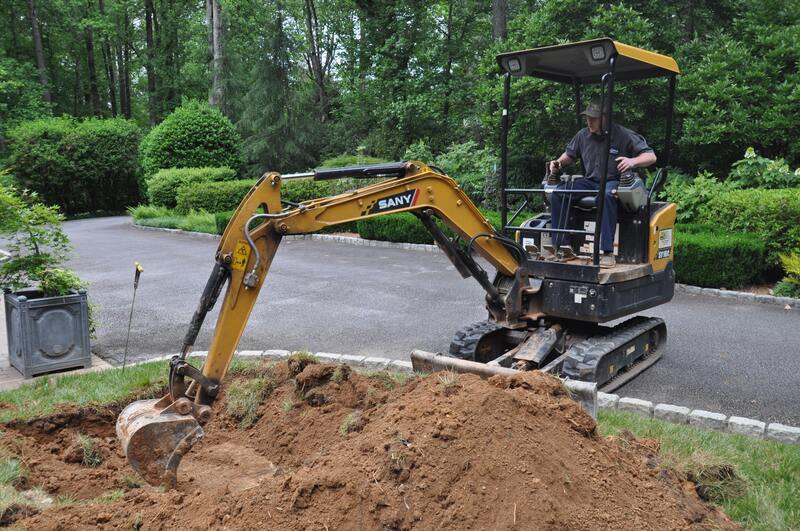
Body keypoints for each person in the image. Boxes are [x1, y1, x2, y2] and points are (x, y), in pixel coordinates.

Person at [547, 97, 656, 267]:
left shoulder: (623, 134)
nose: (589, 121)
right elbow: (568, 156)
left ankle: (607, 253)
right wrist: (558, 163)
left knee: (607, 195)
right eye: (587, 118)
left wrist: (632, 161)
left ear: (605, 118)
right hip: (590, 182)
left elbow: (651, 156)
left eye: (594, 118)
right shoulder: (582, 135)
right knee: (559, 193)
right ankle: (562, 247)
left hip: (613, 181)